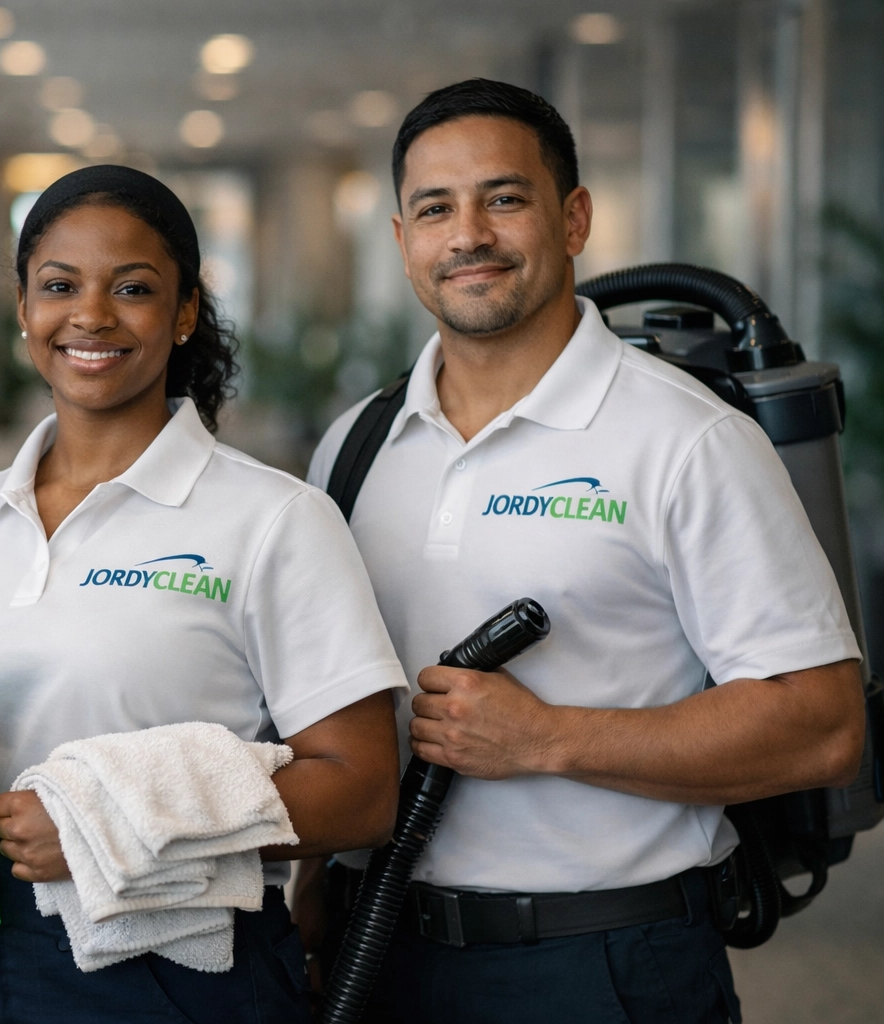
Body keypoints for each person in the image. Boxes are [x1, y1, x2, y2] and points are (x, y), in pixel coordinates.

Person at [298, 78, 865, 1023]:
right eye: (435, 209)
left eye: (503, 198)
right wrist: (316, 893)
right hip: (380, 949)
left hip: (602, 964)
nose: (468, 234)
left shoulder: (687, 439)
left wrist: (547, 738)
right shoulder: (356, 443)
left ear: (574, 219)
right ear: (402, 241)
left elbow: (823, 725)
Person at [0, 165, 408, 1023]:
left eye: (133, 288)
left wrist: (106, 829)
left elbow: (363, 792)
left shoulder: (274, 519)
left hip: (162, 975)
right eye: (58, 286)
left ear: (185, 312)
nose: (91, 315)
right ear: (24, 308)